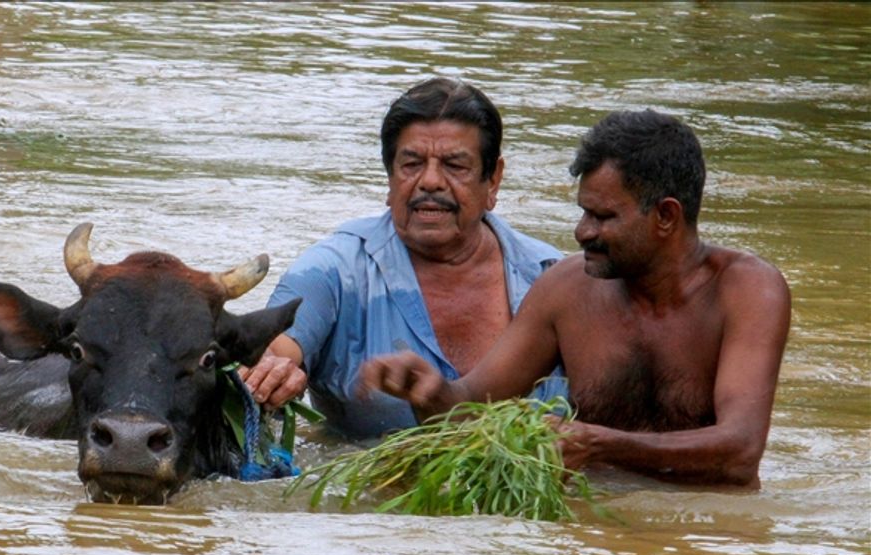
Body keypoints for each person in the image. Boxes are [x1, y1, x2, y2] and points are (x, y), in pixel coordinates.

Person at [360, 109, 791, 488]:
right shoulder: (565, 288)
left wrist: (602, 445)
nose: (582, 232)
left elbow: (740, 450)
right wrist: (431, 391)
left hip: (706, 532)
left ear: (666, 216)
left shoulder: (747, 291)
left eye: (603, 217)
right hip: (589, 524)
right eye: (584, 212)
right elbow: (470, 410)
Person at [240, 77, 564, 439]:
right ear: (390, 180)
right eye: (411, 164)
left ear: (493, 180)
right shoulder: (333, 272)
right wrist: (270, 373)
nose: (430, 181)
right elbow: (272, 351)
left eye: (455, 166)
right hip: (368, 471)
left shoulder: (554, 279)